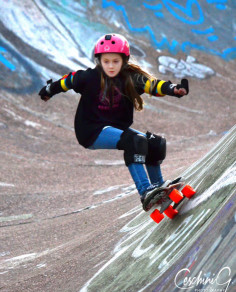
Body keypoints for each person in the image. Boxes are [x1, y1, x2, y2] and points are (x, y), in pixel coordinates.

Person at [39, 33, 189, 211]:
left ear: (124, 61)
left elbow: (154, 85)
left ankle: (160, 189)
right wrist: (48, 90)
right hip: (90, 130)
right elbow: (67, 81)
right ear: (99, 61)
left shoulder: (131, 78)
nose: (110, 66)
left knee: (155, 144)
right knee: (135, 142)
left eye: (115, 61)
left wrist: (174, 89)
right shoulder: (88, 77)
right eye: (106, 61)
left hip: (115, 128)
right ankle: (146, 192)